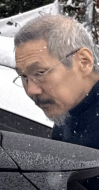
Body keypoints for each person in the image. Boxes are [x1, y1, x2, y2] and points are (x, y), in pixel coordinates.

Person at [14, 14, 99, 150]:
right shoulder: (70, 110)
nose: (31, 90)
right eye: (24, 77)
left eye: (40, 73)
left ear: (84, 62)